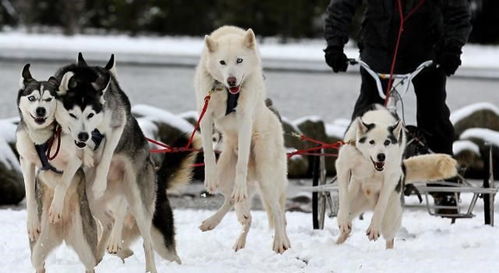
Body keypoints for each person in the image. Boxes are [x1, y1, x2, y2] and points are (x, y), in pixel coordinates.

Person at [323, 0, 472, 214]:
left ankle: (444, 186)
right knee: (366, 115)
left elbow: (458, 11)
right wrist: (335, 45)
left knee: (434, 112)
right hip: (378, 50)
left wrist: (453, 48)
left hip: (428, 50)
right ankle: (352, 177)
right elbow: (342, 5)